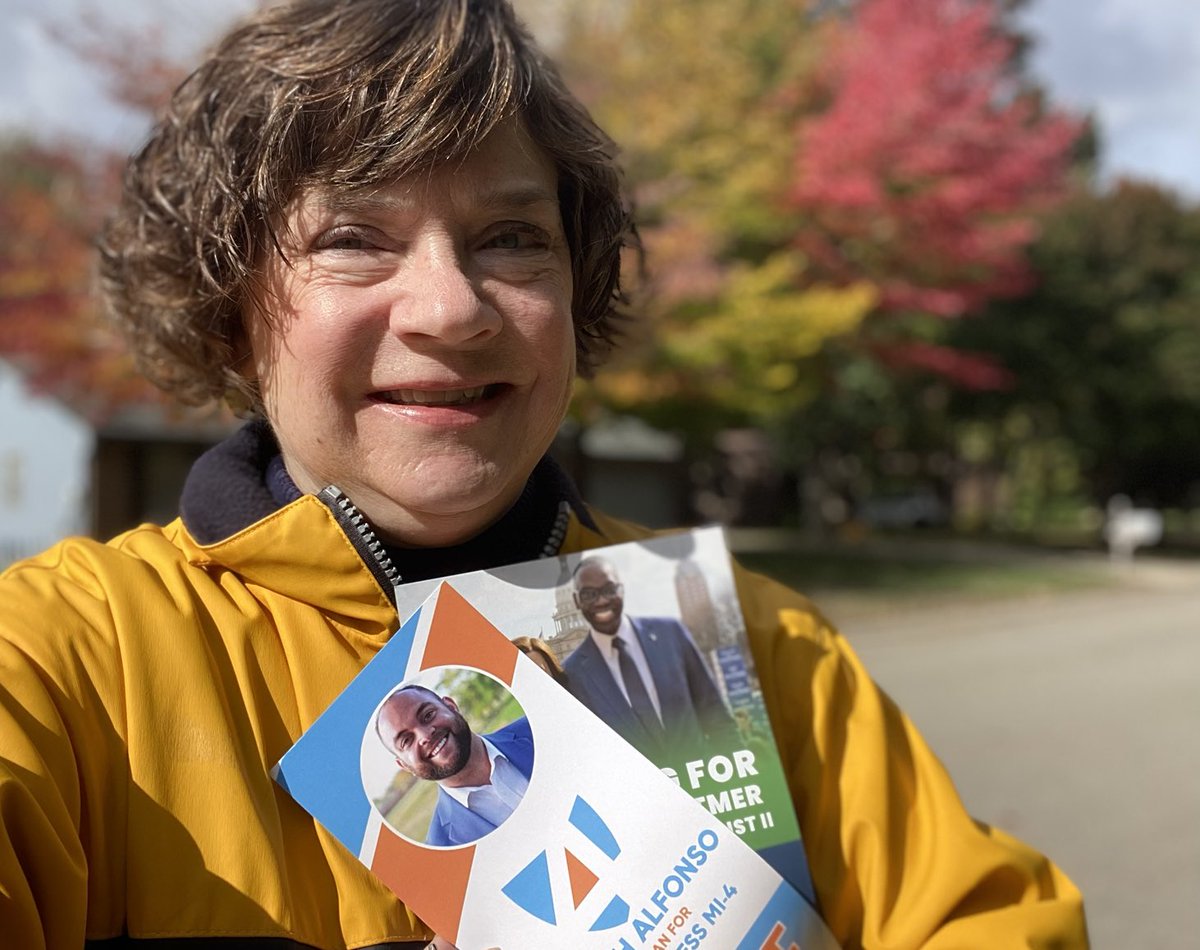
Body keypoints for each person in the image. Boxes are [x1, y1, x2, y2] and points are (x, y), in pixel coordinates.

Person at [0, 1, 1088, 948]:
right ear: (230, 311)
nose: (451, 307)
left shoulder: (765, 654)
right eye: (353, 238)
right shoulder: (64, 662)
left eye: (512, 237)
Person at [564, 556, 737, 757]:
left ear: (621, 589)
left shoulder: (671, 633)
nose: (601, 601)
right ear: (576, 600)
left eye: (609, 590)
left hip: (707, 778)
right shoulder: (574, 673)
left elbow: (716, 715)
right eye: (589, 594)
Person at [375, 685, 533, 847]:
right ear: (404, 765)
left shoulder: (539, 727)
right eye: (407, 741)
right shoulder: (442, 851)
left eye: (428, 715)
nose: (425, 736)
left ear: (451, 706)